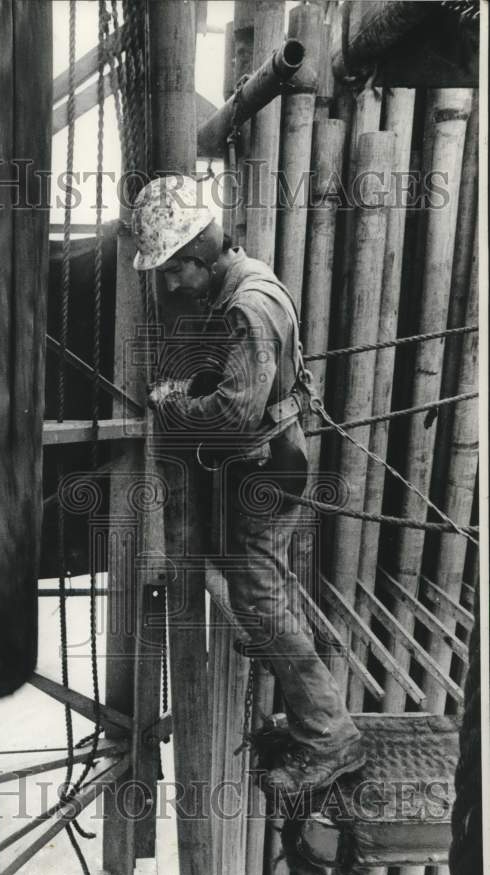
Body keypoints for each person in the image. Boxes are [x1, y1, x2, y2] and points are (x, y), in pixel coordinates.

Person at [131, 174, 365, 794]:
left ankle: (331, 740)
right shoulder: (238, 286)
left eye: (174, 270)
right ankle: (312, 712)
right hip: (266, 461)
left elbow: (236, 415)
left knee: (262, 604)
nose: (169, 284)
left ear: (202, 255)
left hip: (268, 468)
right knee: (265, 592)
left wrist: (173, 403)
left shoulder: (248, 307)